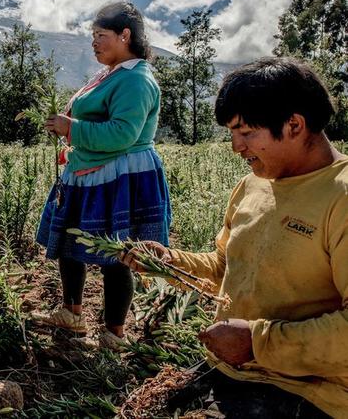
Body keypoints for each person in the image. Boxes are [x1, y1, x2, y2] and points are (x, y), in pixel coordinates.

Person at [123, 58, 346, 418]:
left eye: (245, 132)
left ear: (294, 125)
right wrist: (169, 260)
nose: (235, 146)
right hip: (233, 369)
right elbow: (225, 265)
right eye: (231, 133)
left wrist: (257, 342)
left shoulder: (342, 197)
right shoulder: (252, 185)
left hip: (307, 390)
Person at [33, 1, 171, 348]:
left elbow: (123, 133)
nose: (94, 42)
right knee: (69, 242)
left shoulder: (136, 80)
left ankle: (114, 334)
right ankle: (72, 313)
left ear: (125, 36)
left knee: (116, 255)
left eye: (101, 35)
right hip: (89, 172)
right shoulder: (111, 74)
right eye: (93, 35)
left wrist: (71, 127)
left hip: (118, 177)